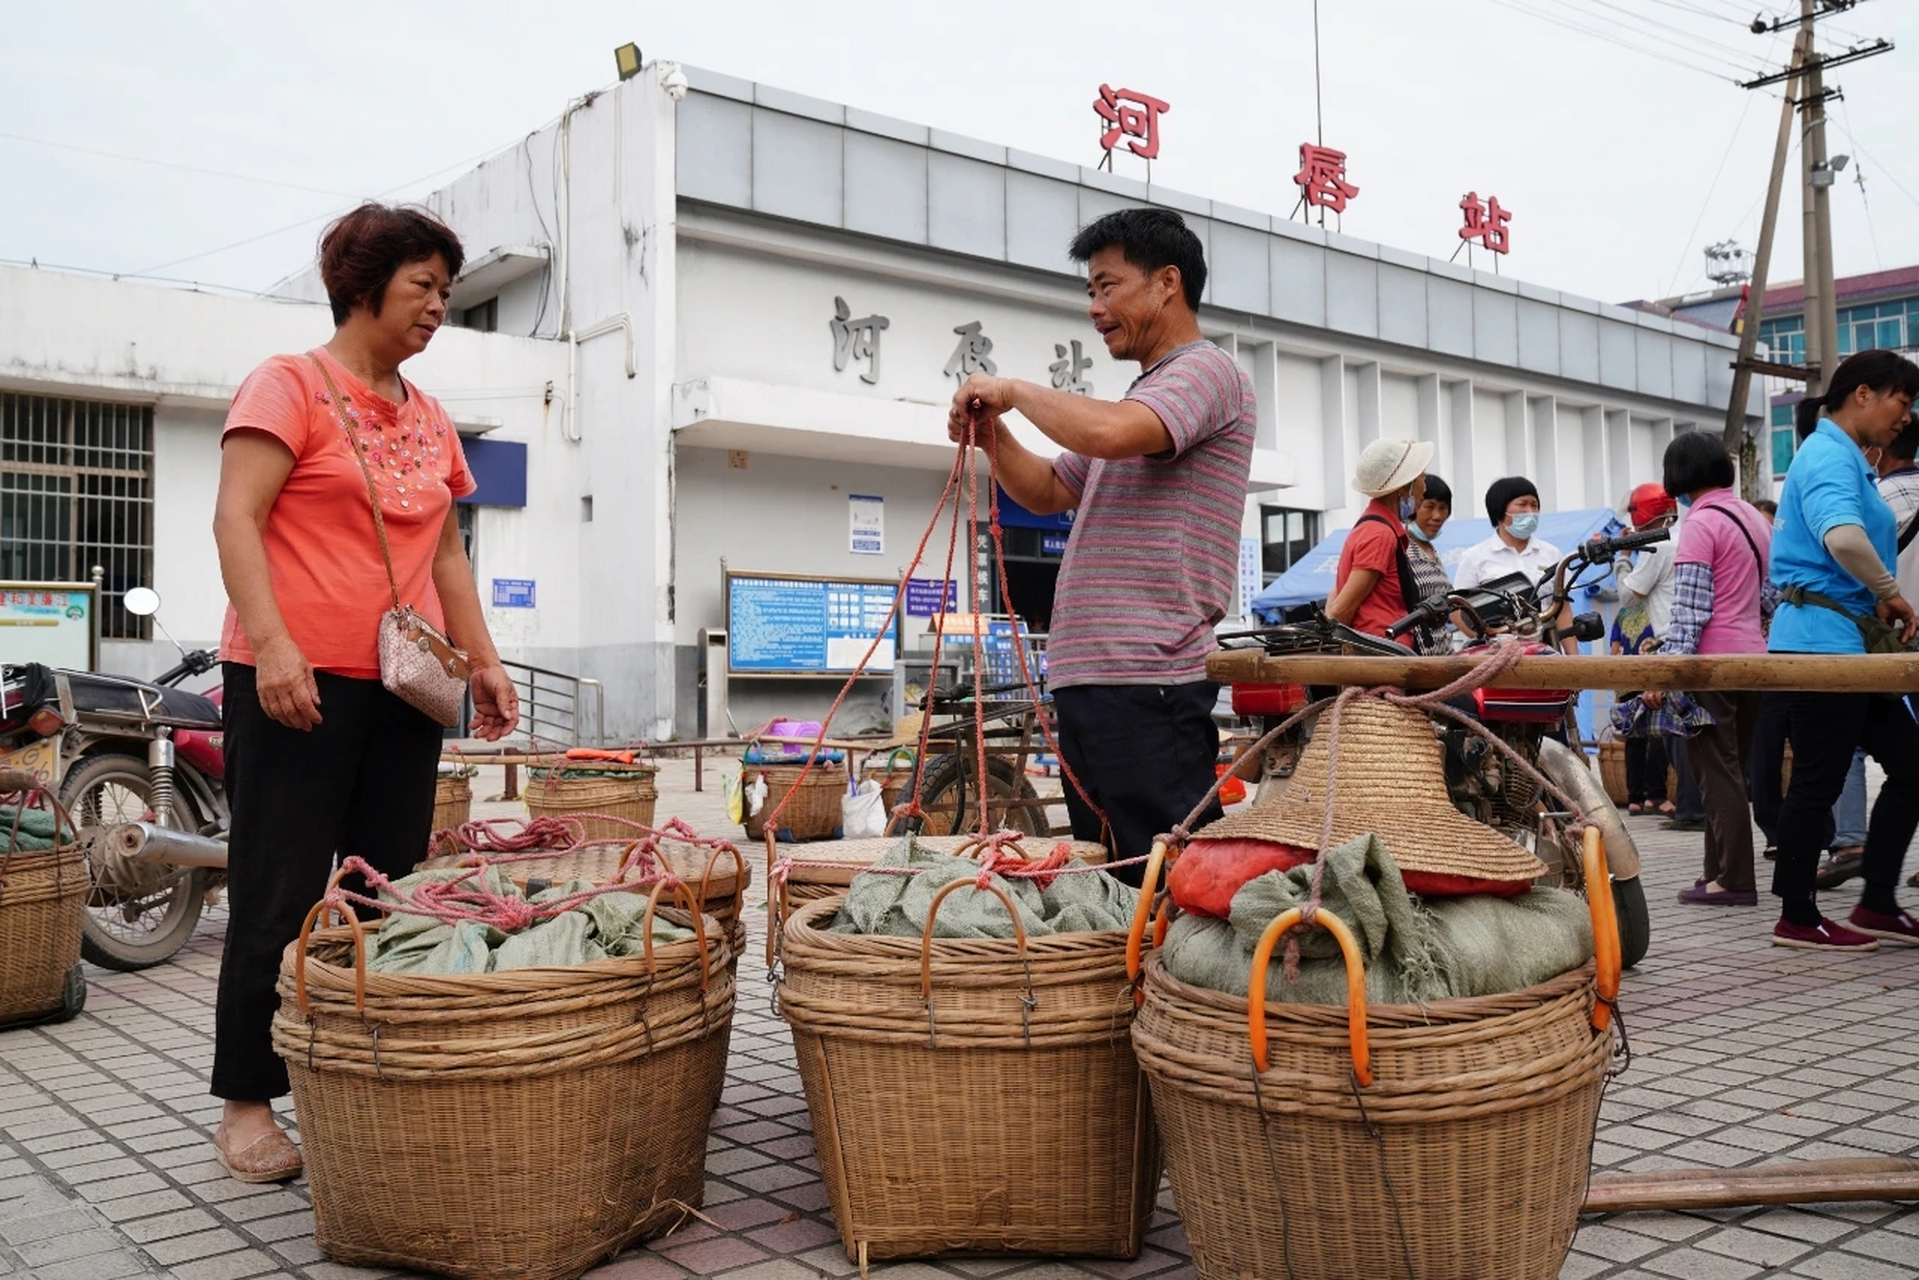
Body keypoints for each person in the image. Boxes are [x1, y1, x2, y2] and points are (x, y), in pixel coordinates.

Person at [209, 203, 522, 1180]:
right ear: (364, 285)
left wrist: (484, 658)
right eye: (423, 285)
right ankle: (247, 1102)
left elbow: (449, 553)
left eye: (445, 290)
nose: (437, 306)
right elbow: (236, 517)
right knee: (280, 882)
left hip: (404, 687)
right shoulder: (289, 384)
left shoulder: (427, 415)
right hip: (293, 682)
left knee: (389, 884)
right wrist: (272, 646)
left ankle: (365, 1069)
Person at [946, 208, 1254, 887]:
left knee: (1166, 882)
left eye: (1107, 285)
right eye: (1090, 290)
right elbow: (1051, 488)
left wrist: (1017, 391)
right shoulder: (1144, 396)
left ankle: (1177, 993)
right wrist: (993, 438)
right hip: (1095, 679)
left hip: (1151, 680)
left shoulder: (1206, 372)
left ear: (1166, 283)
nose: (1095, 306)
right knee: (1109, 878)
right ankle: (1132, 992)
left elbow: (1110, 434)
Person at [1766, 349, 1919, 950]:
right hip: (1819, 646)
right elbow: (1843, 538)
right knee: (1817, 780)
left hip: (1844, 639)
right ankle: (1798, 915)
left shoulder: (1843, 457)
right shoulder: (1828, 454)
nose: (1905, 417)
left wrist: (1874, 599)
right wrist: (1891, 593)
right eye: (1901, 402)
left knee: (1911, 767)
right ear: (1863, 394)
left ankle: (1877, 900)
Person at [1647, 433, 1772, 906]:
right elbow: (1769, 596)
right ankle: (1715, 872)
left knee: (1715, 773)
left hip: (1710, 665)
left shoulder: (1699, 525)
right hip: (1752, 658)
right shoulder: (1754, 519)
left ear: (1677, 475)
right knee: (1730, 769)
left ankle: (1735, 880)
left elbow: (1691, 609)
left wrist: (1668, 672)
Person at [1452, 476, 1578, 653]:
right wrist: (1485, 639)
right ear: (1500, 509)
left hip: (1544, 654)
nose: (1530, 511)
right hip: (1493, 656)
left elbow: (1563, 611)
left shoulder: (1552, 554)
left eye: (1535, 505)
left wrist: (1573, 659)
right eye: (1523, 504)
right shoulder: (1474, 557)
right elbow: (1458, 611)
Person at [1326, 438, 1435, 639]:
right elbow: (1341, 610)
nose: (1425, 487)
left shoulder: (1374, 527)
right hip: (1380, 658)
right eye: (1422, 478)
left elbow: (1335, 597)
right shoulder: (1380, 534)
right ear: (1404, 487)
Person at [1609, 595, 1671, 816]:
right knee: (1657, 736)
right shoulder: (1661, 607)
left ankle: (1635, 798)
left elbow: (1614, 651)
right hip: (1653, 677)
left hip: (1627, 679)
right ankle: (1655, 796)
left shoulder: (1623, 612)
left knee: (1634, 740)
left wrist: (1617, 690)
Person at [1405, 474, 1456, 652]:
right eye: (1429, 507)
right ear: (1412, 507)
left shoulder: (1432, 551)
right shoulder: (1402, 549)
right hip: (1415, 656)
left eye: (1443, 508)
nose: (1437, 516)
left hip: (1443, 655)